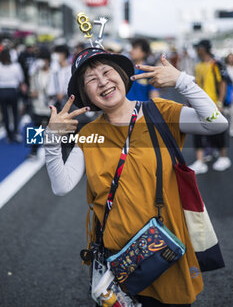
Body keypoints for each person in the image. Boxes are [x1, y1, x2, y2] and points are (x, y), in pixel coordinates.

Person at [44, 47, 228, 306]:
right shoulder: (89, 134)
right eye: (92, 80)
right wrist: (50, 140)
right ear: (86, 95)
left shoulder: (160, 113)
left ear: (121, 75)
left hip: (166, 254)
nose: (103, 82)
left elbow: (216, 124)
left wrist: (182, 82)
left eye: (107, 72)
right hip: (119, 263)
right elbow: (62, 186)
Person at [189, 39, 231, 173]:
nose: (196, 50)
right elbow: (195, 84)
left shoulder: (216, 64)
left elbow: (223, 84)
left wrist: (219, 102)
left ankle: (224, 158)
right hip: (199, 105)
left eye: (198, 48)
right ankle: (200, 161)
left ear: (204, 49)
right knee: (197, 133)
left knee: (218, 132)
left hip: (213, 105)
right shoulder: (198, 65)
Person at [0, 48, 26, 142]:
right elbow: (21, 79)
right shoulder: (16, 66)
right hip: (13, 91)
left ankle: (8, 134)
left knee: (5, 114)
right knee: (15, 113)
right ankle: (16, 132)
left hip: (2, 91)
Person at [225, 53, 233, 136]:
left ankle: (231, 129)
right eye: (229, 57)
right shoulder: (225, 68)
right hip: (228, 92)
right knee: (228, 111)